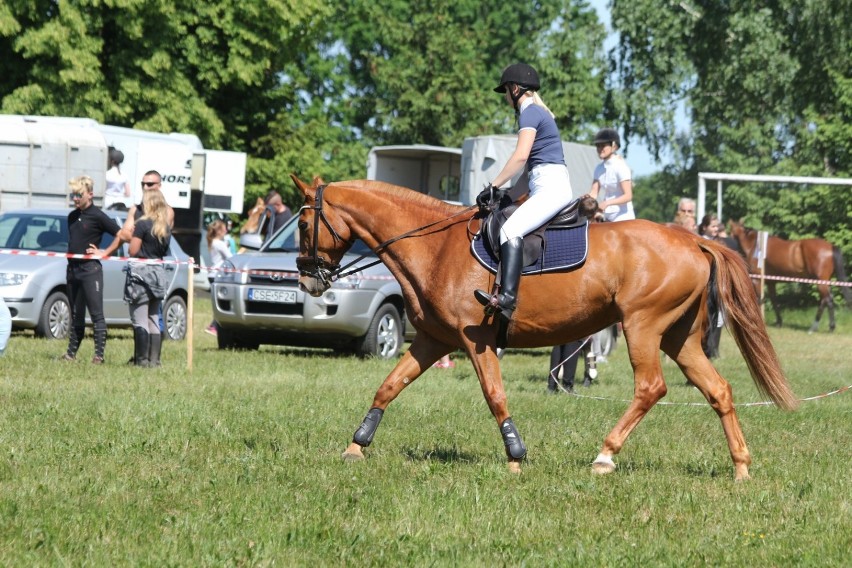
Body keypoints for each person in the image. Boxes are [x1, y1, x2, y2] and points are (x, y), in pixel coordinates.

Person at [473, 63, 574, 323]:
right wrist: (506, 195)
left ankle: (507, 298)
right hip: (546, 183)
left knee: (509, 231)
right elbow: (527, 173)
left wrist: (493, 185)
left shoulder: (529, 113)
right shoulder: (538, 112)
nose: (506, 98)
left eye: (506, 91)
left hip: (550, 187)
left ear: (515, 89)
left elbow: (520, 157)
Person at [63, 175, 120, 364]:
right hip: (73, 270)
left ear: (90, 194)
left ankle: (99, 356)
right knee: (75, 314)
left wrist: (105, 252)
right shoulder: (72, 216)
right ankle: (70, 354)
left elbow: (121, 234)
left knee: (96, 314)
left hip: (90, 271)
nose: (75, 199)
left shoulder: (98, 216)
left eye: (79, 195)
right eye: (73, 195)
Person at [126, 189, 172, 367]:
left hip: (140, 275)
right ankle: (154, 361)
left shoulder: (143, 224)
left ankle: (141, 360)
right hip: (158, 275)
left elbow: (133, 250)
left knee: (140, 319)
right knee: (153, 317)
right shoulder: (165, 227)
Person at [588, 128, 635, 222]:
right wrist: (585, 199)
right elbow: (593, 193)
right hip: (607, 216)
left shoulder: (621, 167)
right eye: (598, 146)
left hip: (623, 216)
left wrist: (607, 203)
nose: (600, 149)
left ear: (614, 146)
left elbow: (628, 196)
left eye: (603, 145)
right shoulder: (599, 168)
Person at [205, 219, 232, 336]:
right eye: (224, 228)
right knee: (222, 303)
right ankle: (214, 326)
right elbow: (230, 257)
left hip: (212, 274)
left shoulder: (212, 242)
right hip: (218, 275)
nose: (226, 230)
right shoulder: (220, 244)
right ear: (220, 231)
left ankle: (214, 325)